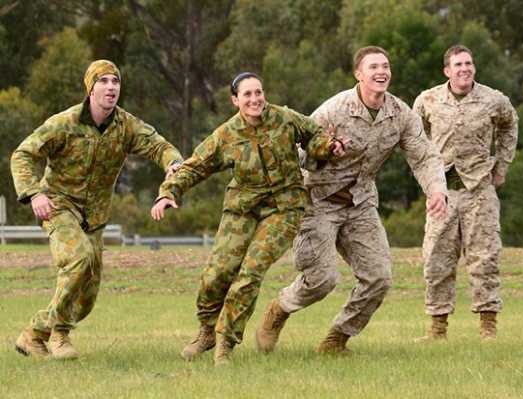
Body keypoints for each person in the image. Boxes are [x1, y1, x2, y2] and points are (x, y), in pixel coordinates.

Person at [255, 46, 448, 355]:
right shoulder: (334, 110)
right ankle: (279, 309)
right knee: (322, 280)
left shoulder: (400, 114)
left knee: (379, 278)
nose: (381, 72)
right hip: (318, 201)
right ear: (359, 74)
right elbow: (297, 154)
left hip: (361, 204)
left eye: (385, 66)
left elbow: (423, 154)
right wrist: (324, 150)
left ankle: (336, 340)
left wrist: (437, 190)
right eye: (373, 67)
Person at [151, 72, 348, 366]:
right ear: (235, 101)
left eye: (259, 92)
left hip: (284, 207)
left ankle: (225, 344)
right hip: (242, 208)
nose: (255, 99)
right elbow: (195, 166)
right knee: (217, 273)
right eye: (247, 95)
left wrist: (330, 147)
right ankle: (207, 331)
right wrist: (168, 192)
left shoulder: (284, 118)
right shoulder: (227, 134)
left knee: (250, 273)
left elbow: (314, 136)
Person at [11, 60, 183, 360]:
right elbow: (23, 154)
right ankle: (58, 335)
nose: (111, 87)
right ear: (90, 88)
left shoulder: (126, 126)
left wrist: (173, 164)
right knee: (79, 258)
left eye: (115, 81)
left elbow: (160, 147)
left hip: (96, 217)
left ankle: (34, 335)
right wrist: (34, 193)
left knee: (87, 299)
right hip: (58, 206)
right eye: (103, 81)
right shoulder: (64, 123)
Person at [412, 44, 518, 341]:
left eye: (468, 63)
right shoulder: (428, 100)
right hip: (442, 194)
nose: (464, 69)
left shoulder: (493, 100)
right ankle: (437, 330)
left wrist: (502, 166)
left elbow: (510, 126)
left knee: (485, 258)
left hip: (480, 191)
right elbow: (413, 138)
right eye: (458, 65)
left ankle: (488, 328)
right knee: (436, 260)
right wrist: (426, 179)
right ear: (447, 70)